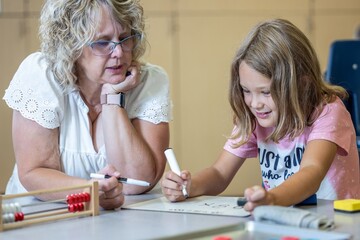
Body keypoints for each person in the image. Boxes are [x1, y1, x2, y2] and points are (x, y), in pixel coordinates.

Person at [161, 18, 360, 212]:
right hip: (284, 219)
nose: (255, 103)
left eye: (266, 92)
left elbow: (312, 172)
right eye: (246, 90)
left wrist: (272, 198)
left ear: (302, 84)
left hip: (337, 222)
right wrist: (188, 187)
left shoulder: (328, 111)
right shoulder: (255, 115)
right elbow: (220, 173)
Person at [3, 0, 171, 210]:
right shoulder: (41, 75)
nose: (118, 52)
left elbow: (139, 181)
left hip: (115, 222)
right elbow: (34, 172)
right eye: (102, 42)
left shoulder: (149, 81)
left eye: (124, 38)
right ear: (71, 46)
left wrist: (111, 99)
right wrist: (90, 190)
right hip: (36, 215)